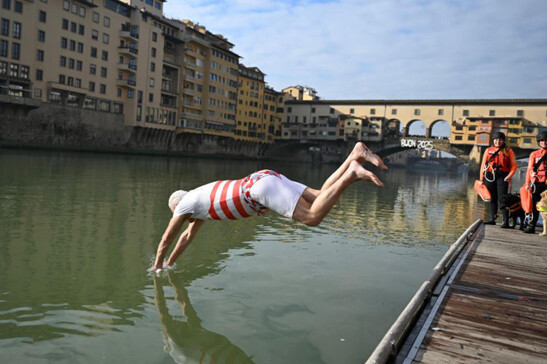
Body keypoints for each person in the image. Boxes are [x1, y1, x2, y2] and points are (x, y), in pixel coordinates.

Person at [153, 142, 388, 270]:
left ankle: (352, 174)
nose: (184, 220)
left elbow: (167, 239)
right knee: (318, 196)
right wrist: (170, 263)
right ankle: (354, 155)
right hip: (263, 176)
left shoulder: (185, 205)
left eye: (178, 215)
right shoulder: (199, 199)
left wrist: (156, 267)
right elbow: (186, 238)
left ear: (177, 206)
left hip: (257, 191)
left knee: (312, 217)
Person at [478, 132, 517, 227]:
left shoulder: (509, 151)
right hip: (490, 175)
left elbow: (514, 166)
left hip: (503, 176)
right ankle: (492, 218)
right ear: (493, 141)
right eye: (496, 140)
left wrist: (509, 176)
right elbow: (483, 165)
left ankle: (505, 221)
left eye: (500, 140)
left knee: (502, 198)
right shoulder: (488, 150)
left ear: (503, 141)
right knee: (492, 198)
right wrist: (481, 179)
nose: (498, 142)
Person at [522, 130, 547, 234]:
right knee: (536, 205)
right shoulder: (534, 154)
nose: (544, 143)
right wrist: (527, 183)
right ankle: (532, 224)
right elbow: (529, 169)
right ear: (538, 142)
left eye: (546, 141)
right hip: (536, 182)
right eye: (542, 141)